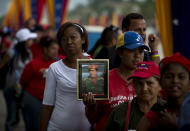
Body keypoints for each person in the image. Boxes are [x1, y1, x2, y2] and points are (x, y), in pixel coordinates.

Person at [83, 31, 149, 131]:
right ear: (120, 52)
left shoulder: (148, 81)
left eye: (140, 51)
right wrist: (91, 106)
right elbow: (92, 119)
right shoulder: (102, 78)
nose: (137, 55)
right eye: (132, 51)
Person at [39, 22, 91, 131]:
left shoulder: (94, 67)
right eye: (64, 39)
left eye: (73, 37)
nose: (68, 42)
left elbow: (101, 105)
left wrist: (92, 104)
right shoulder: (54, 68)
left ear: (83, 39)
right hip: (57, 127)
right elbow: (47, 106)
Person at [137, 53, 190, 131]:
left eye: (181, 77)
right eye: (169, 77)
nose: (175, 81)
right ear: (161, 82)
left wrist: (177, 125)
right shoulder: (157, 111)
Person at [106, 61, 164, 131]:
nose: (144, 88)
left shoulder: (169, 111)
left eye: (149, 83)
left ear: (160, 85)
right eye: (139, 83)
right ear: (134, 85)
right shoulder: (119, 113)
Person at [19, 36, 60, 131]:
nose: (56, 51)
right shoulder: (33, 64)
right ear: (45, 49)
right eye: (53, 48)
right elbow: (23, 81)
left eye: (57, 49)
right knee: (34, 126)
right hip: (34, 98)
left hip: (51, 101)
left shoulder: (59, 62)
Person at [2, 28, 37, 131]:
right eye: (30, 39)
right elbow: (2, 64)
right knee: (12, 115)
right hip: (11, 87)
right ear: (25, 41)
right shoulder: (12, 51)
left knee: (21, 115)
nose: (32, 41)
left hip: (22, 87)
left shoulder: (28, 52)